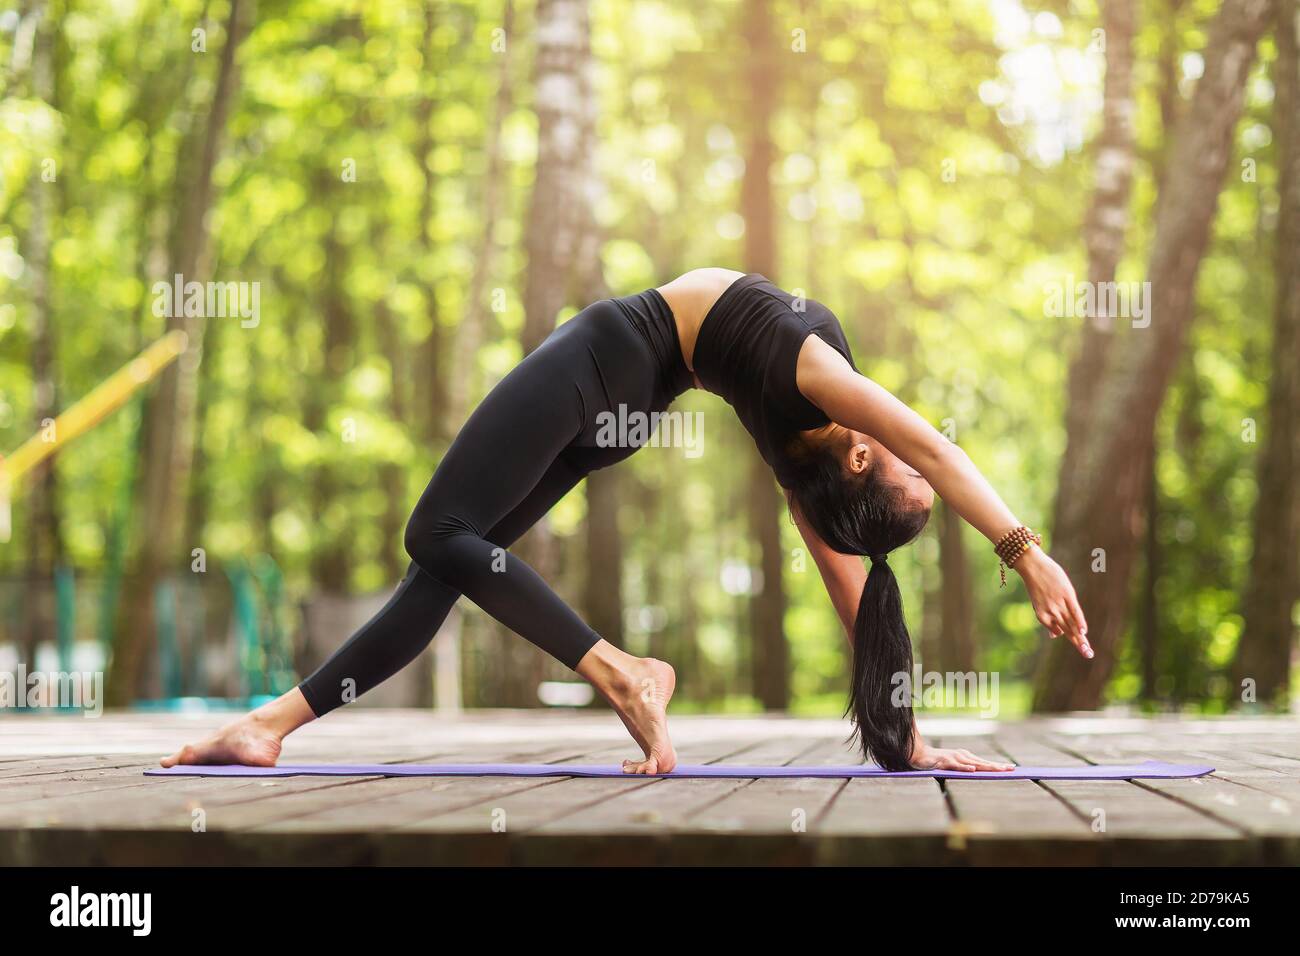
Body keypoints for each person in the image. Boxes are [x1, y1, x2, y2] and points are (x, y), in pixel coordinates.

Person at [161, 268, 1089, 775]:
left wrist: (1028, 555)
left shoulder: (823, 390)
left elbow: (936, 453)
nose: (900, 440)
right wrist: (907, 740)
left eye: (893, 461)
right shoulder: (811, 470)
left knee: (435, 534)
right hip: (628, 404)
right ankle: (269, 727)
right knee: (442, 566)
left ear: (862, 457)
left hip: (610, 358)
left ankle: (620, 671)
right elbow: (861, 599)